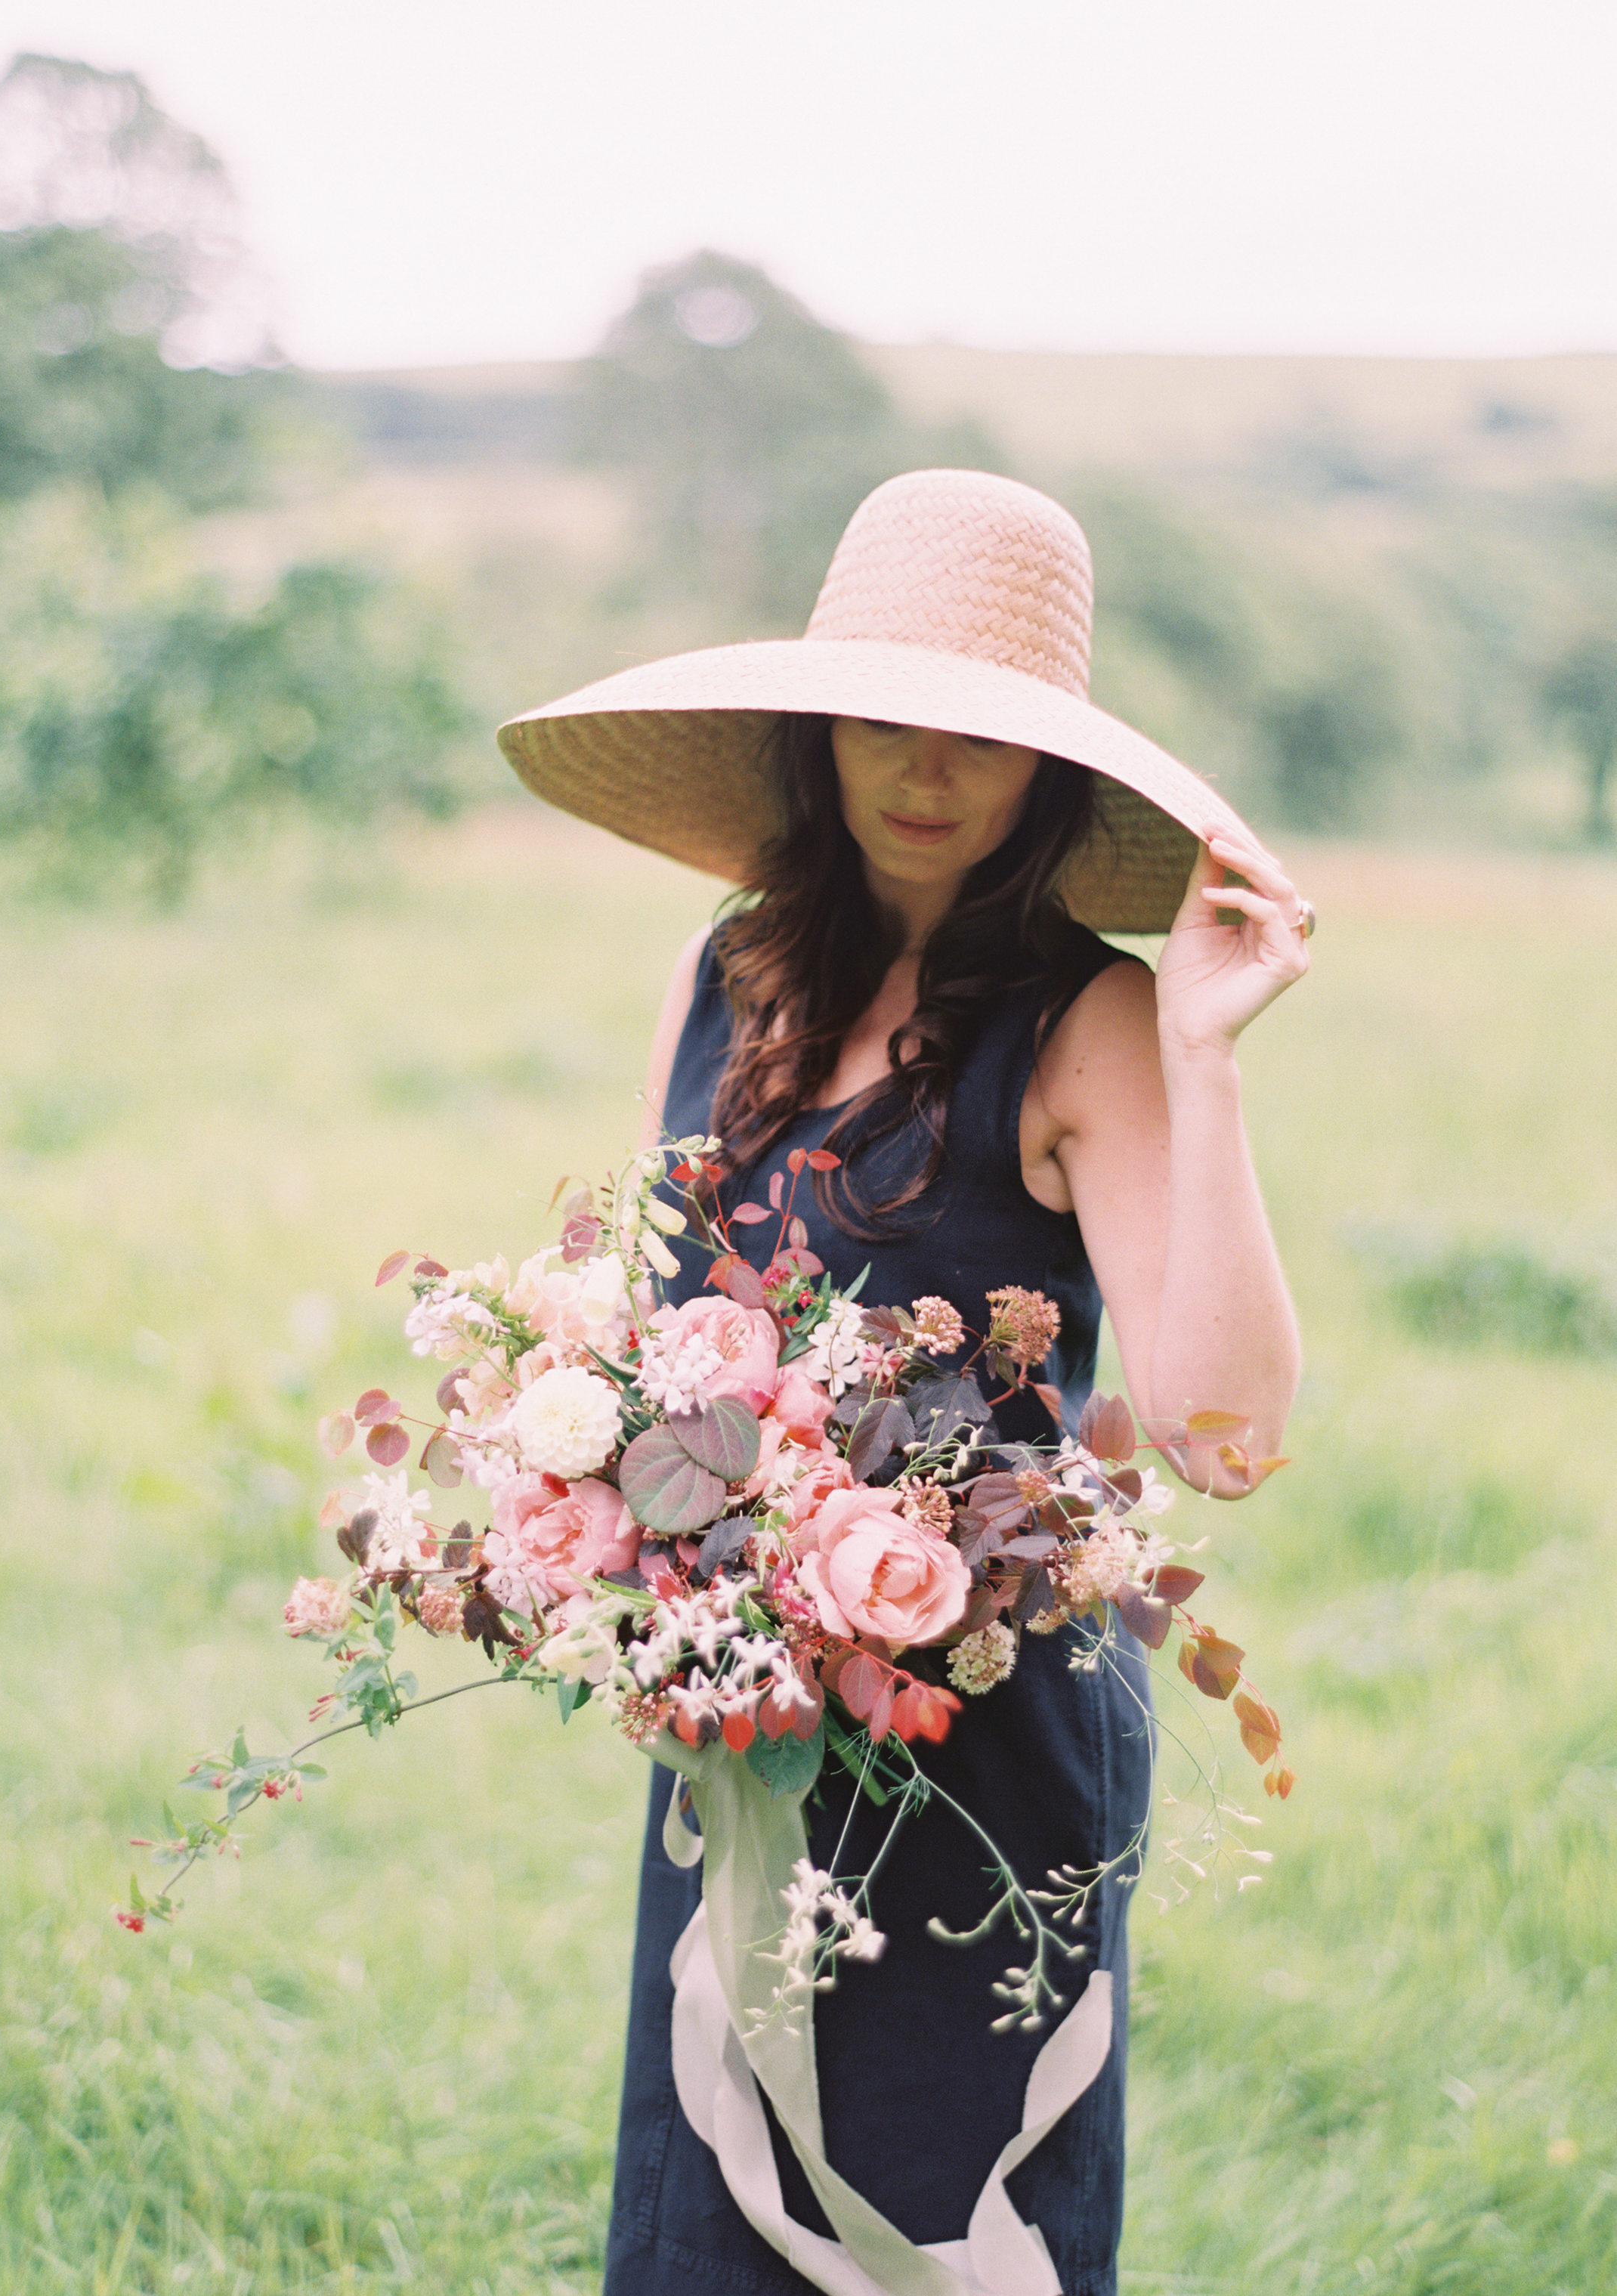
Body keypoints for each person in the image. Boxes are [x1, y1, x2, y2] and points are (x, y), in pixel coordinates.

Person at [497, 469, 1309, 2296]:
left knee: (941, 2198)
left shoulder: (1084, 1018)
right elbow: (640, 1341)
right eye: (887, 718)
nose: (928, 772)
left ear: (1047, 770)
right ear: (816, 727)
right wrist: (599, 1532)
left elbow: (1224, 1436)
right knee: (713, 2185)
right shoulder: (729, 971)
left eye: (981, 738)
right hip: (744, 1704)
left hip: (981, 1729)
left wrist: (1209, 1059)